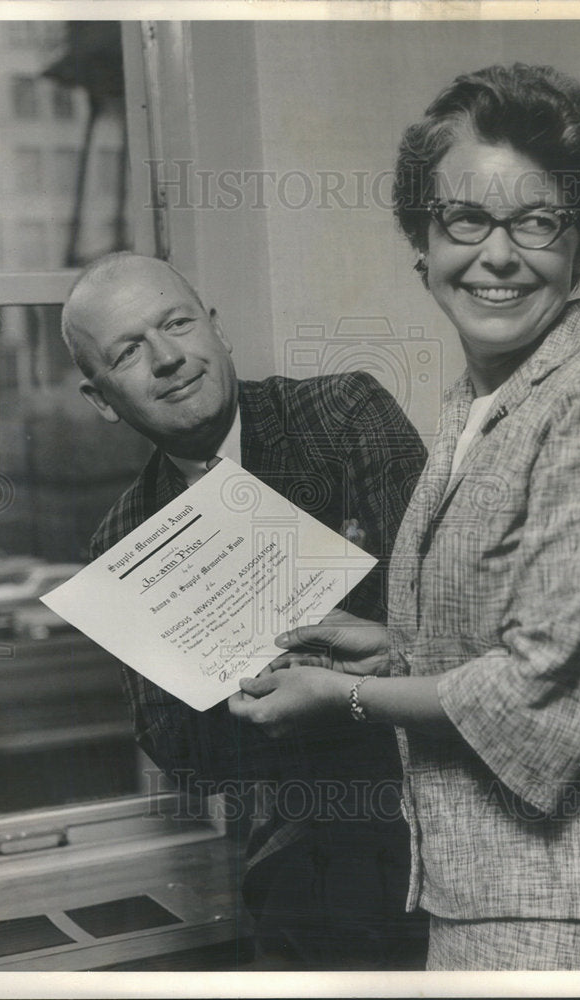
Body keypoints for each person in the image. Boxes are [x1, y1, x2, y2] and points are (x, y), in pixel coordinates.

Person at [228, 64, 580, 970]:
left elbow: (543, 689)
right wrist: (388, 646)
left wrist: (344, 697)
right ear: (422, 244)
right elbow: (522, 635)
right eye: (465, 218)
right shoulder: (480, 404)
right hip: (491, 899)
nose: (498, 255)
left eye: (537, 221)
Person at [60, 252, 429, 969]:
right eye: (128, 351)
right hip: (306, 879)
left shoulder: (343, 414)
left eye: (177, 323)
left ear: (217, 329)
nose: (167, 358)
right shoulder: (123, 539)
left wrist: (274, 678)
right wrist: (326, 667)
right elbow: (184, 752)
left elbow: (448, 627)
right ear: (102, 399)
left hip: (445, 834)